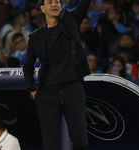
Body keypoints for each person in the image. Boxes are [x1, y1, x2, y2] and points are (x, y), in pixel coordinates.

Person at [23, 0, 91, 149]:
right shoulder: (35, 36)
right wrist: (32, 88)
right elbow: (27, 66)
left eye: (57, 2)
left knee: (81, 141)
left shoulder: (70, 19)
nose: (55, 5)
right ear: (42, 8)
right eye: (50, 2)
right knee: (51, 144)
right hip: (47, 92)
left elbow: (83, 5)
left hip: (72, 88)